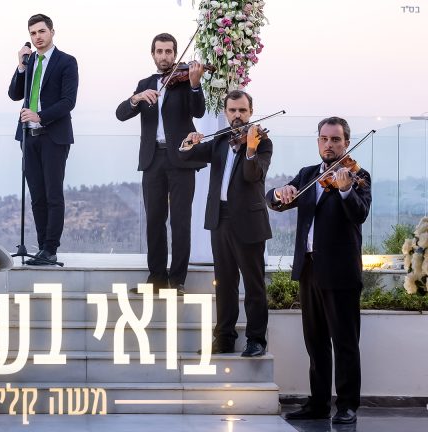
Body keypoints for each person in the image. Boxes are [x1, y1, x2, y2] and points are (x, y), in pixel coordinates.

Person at [267, 117, 371, 424]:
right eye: (324, 139)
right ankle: (319, 403)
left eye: (335, 139)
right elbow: (274, 201)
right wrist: (281, 192)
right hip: (309, 269)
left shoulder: (358, 175)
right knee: (315, 342)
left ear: (346, 143)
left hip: (340, 271)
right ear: (318, 142)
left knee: (345, 342)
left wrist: (345, 190)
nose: (329, 144)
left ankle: (348, 405)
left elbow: (360, 214)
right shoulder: (307, 175)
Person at [179, 90, 272, 357]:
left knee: (254, 285)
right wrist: (188, 142)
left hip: (249, 221)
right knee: (224, 282)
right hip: (220, 218)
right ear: (225, 112)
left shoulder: (262, 142)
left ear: (251, 112)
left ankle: (256, 340)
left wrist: (250, 148)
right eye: (232, 110)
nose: (237, 115)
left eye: (242, 110)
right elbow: (189, 156)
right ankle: (224, 338)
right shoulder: (221, 138)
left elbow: (252, 175)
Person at [115, 33, 206, 291]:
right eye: (159, 51)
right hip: (152, 159)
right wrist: (136, 98)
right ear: (153, 54)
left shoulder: (186, 80)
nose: (164, 56)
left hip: (181, 159)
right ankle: (156, 279)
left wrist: (195, 84)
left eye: (168, 51)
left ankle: (177, 281)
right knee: (154, 220)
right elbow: (121, 114)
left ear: (175, 54)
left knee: (180, 222)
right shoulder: (145, 83)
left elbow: (198, 111)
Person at [8, 13, 78, 265]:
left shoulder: (66, 62)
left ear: (52, 32)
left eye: (41, 31)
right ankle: (41, 249)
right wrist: (20, 66)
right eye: (33, 33)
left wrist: (40, 116)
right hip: (28, 137)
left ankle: (51, 249)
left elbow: (68, 101)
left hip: (53, 137)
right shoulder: (29, 63)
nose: (37, 37)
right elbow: (14, 94)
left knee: (52, 194)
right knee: (37, 195)